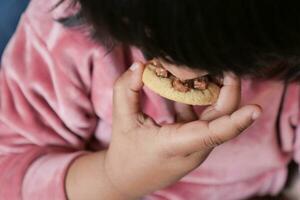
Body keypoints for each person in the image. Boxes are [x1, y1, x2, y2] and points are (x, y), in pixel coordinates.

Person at [0, 0, 299, 199]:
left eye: (230, 62)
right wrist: (115, 177)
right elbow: (9, 173)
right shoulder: (61, 32)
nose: (185, 73)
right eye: (157, 47)